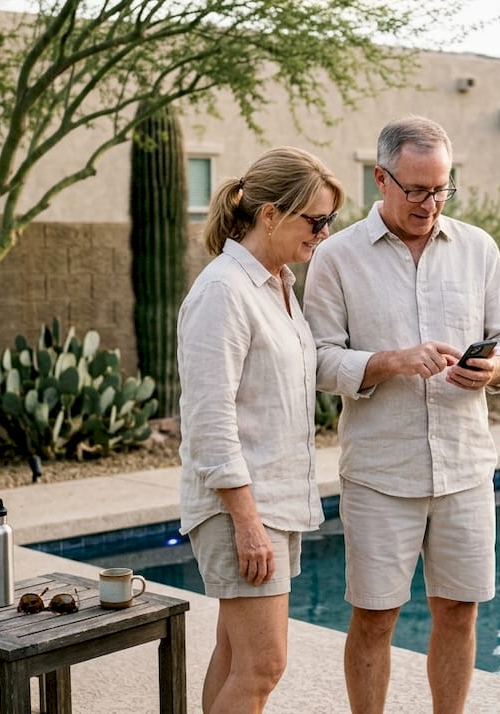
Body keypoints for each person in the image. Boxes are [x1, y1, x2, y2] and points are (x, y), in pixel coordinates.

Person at [303, 116, 500, 714]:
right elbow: (317, 363)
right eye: (417, 189)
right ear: (381, 178)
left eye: (442, 188)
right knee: (375, 617)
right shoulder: (335, 258)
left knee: (459, 610)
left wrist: (497, 369)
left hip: (464, 467)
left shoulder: (479, 248)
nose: (431, 203)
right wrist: (391, 361)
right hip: (381, 473)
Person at [177, 146, 344, 714]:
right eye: (314, 220)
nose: (322, 233)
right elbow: (209, 418)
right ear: (269, 214)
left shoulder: (278, 285)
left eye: (329, 221)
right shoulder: (223, 291)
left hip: (274, 500)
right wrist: (247, 522)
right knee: (265, 665)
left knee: (234, 656)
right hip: (243, 508)